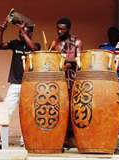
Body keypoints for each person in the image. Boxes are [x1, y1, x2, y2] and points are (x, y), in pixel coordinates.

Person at [0, 18, 40, 146]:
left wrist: (23, 32)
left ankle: (24, 139)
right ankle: (2, 139)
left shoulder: (36, 45)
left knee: (27, 113)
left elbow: (33, 48)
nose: (20, 34)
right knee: (7, 111)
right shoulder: (15, 44)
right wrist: (1, 30)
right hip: (15, 84)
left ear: (30, 34)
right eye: (19, 33)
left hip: (29, 86)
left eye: (23, 32)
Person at [49, 17, 82, 148]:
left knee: (71, 109)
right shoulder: (55, 42)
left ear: (68, 29)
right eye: (57, 28)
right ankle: (59, 138)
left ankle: (71, 137)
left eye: (62, 29)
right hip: (57, 79)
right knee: (58, 108)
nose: (59, 31)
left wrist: (68, 62)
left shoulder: (76, 41)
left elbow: (79, 60)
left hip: (71, 78)